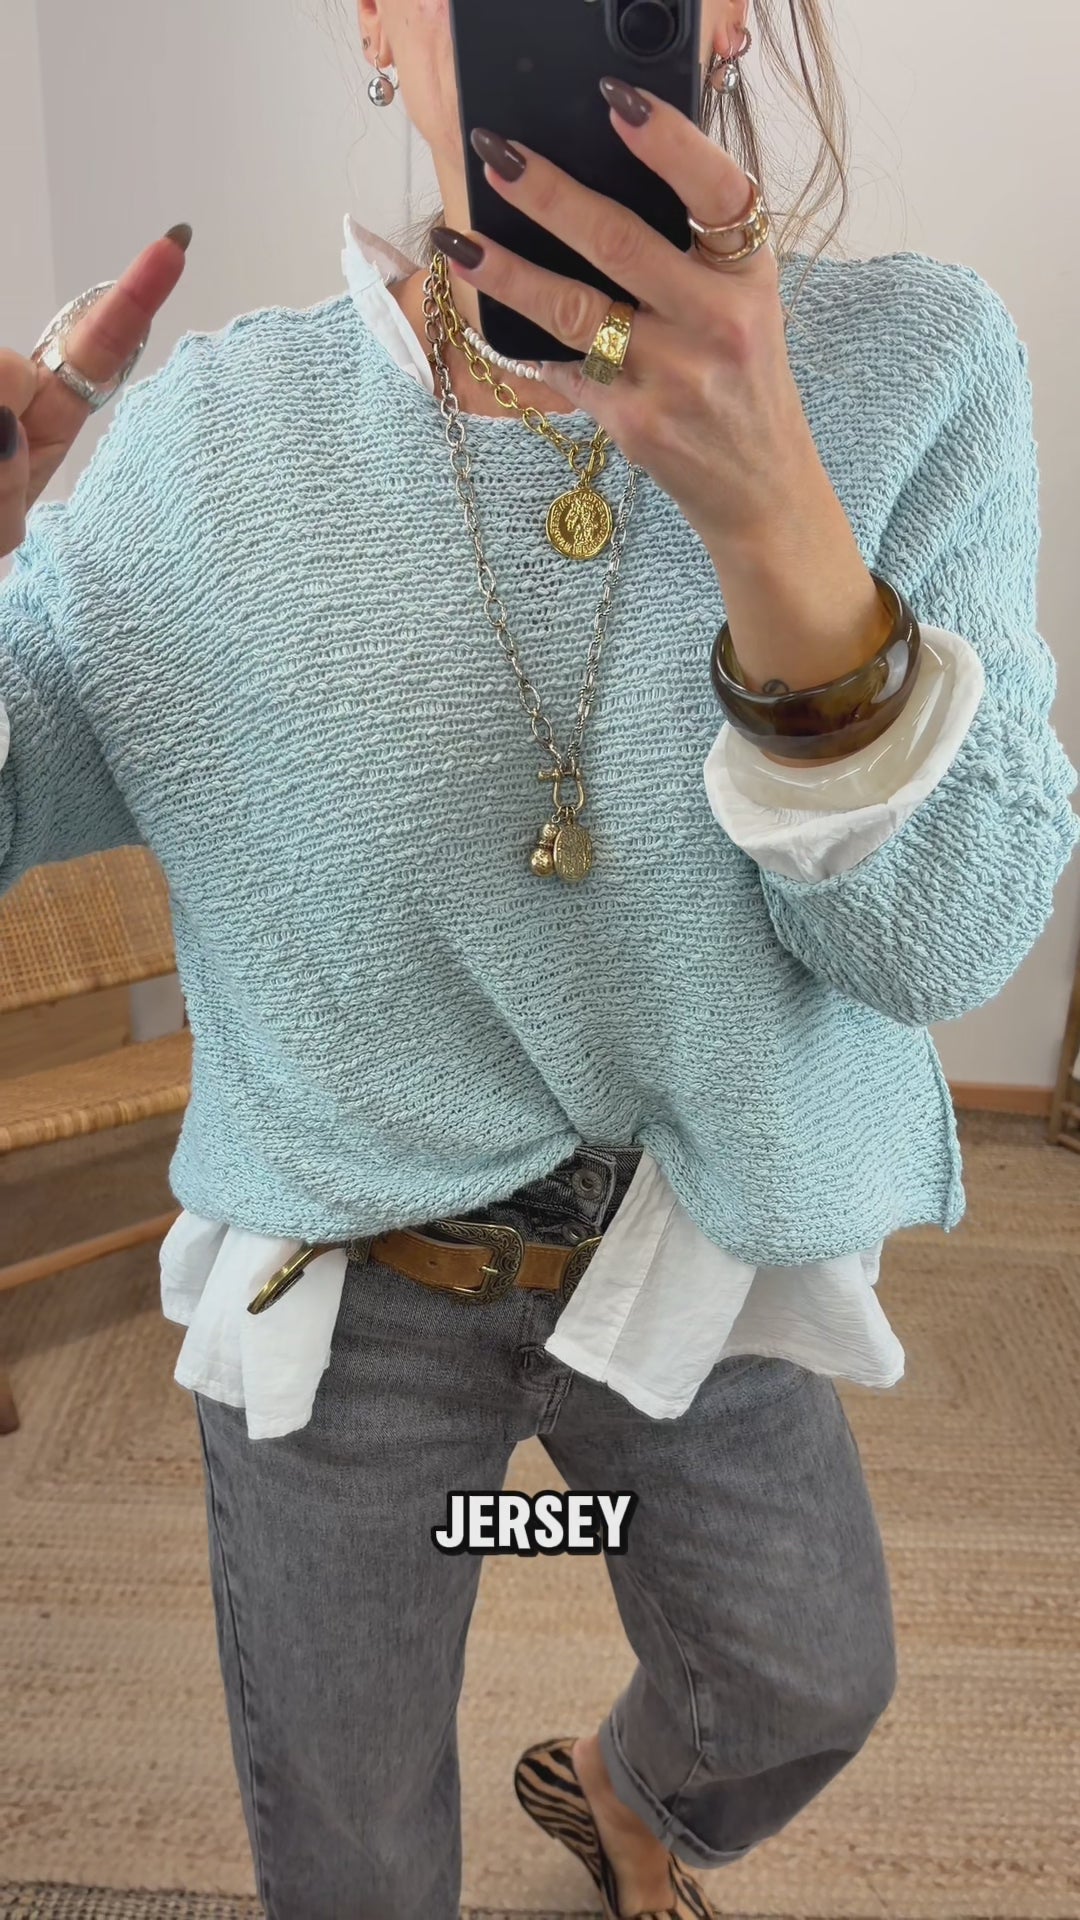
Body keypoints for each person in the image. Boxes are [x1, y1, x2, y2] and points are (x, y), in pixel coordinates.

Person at [2, 0, 1078, 1914]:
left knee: (802, 1679)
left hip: (698, 1247)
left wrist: (785, 527)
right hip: (345, 1283)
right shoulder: (206, 448)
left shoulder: (913, 365)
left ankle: (628, 1792)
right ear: (374, 20)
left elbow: (943, 940)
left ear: (724, 14)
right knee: (352, 1852)